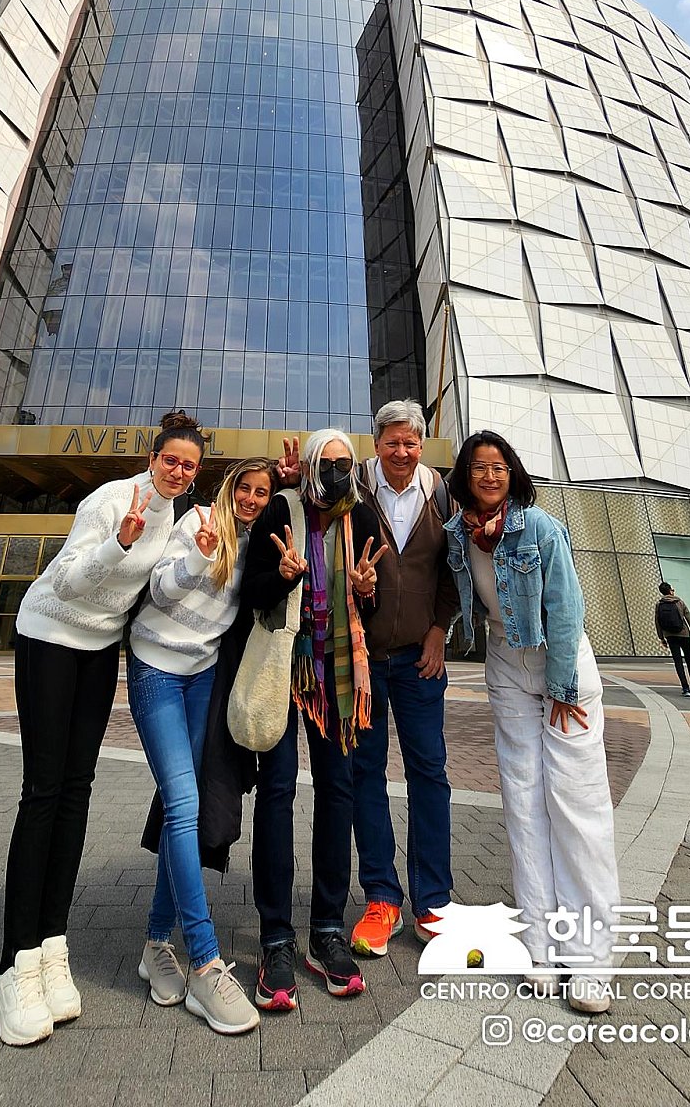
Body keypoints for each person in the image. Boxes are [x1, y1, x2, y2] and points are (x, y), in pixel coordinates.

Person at [0, 410, 206, 1047]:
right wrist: (120, 542)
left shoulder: (177, 516)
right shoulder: (112, 500)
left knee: (77, 792)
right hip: (50, 637)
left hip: (100, 649)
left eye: (189, 465)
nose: (177, 471)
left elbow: (158, 590)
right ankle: (12, 967)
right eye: (170, 459)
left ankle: (51, 946)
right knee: (43, 792)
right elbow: (65, 580)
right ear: (152, 458)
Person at [444, 430, 620, 1017]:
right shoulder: (458, 532)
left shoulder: (540, 528)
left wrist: (563, 686)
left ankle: (590, 960)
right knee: (522, 803)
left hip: (559, 664)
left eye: (499, 467)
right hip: (505, 664)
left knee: (577, 804)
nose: (489, 476)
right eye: (478, 467)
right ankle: (540, 946)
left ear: (512, 473)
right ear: (465, 476)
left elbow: (567, 608)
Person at [126, 458, 279, 1036]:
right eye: (246, 488)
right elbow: (159, 590)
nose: (252, 499)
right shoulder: (197, 522)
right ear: (229, 487)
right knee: (184, 805)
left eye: (262, 492)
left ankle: (154, 943)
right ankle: (206, 960)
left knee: (179, 812)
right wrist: (199, 555)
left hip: (204, 678)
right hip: (157, 671)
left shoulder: (256, 542)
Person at [241, 429, 385, 1011]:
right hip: (285, 664)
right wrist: (283, 576)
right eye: (327, 463)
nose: (336, 472)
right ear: (309, 465)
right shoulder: (282, 509)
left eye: (345, 463)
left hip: (338, 671)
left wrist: (367, 590)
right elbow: (251, 589)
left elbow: (373, 598)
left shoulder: (362, 516)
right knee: (277, 790)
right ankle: (276, 936)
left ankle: (327, 927)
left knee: (338, 790)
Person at [347, 399, 458, 957]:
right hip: (364, 661)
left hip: (420, 660)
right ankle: (381, 897)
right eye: (391, 442)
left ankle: (432, 900)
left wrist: (440, 629)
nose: (401, 451)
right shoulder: (353, 491)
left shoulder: (440, 494)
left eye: (410, 443)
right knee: (365, 772)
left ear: (421, 445)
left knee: (429, 773)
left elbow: (454, 569)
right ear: (376, 444)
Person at [655, 581, 690, 697]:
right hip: (683, 634)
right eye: (672, 589)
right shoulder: (679, 602)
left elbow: (657, 622)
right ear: (670, 591)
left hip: (670, 635)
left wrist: (661, 638)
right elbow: (689, 618)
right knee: (689, 660)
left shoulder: (659, 604)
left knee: (678, 662)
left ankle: (685, 688)